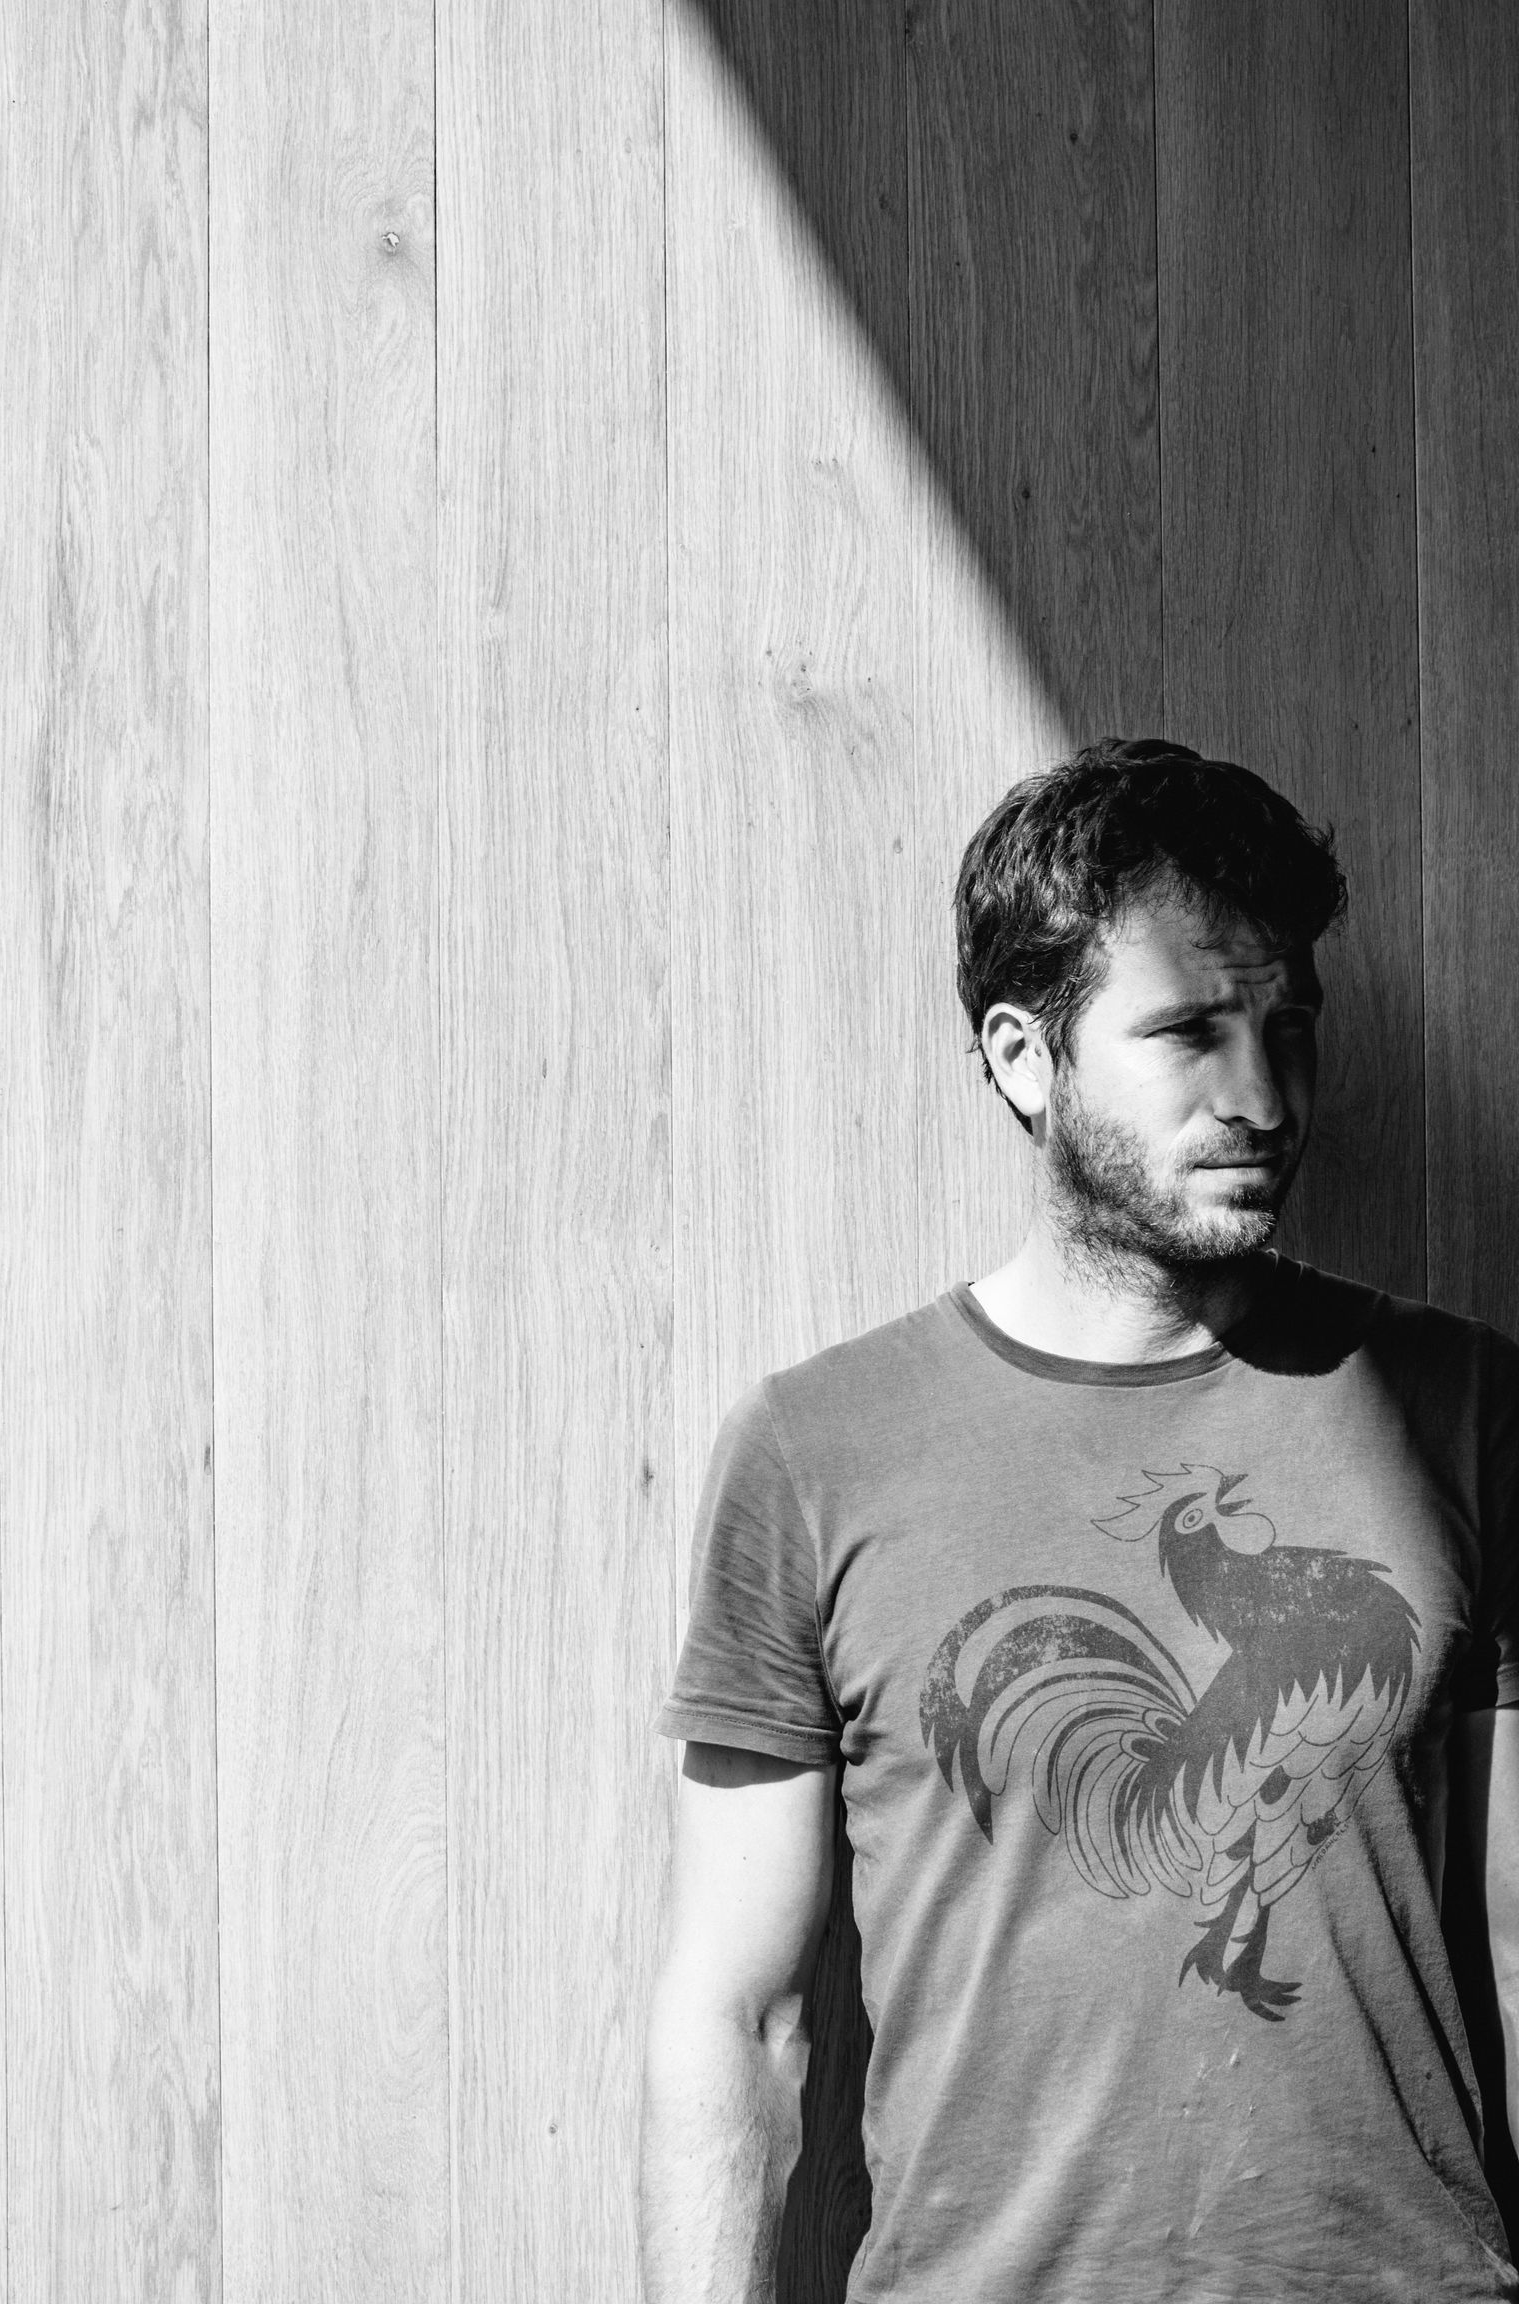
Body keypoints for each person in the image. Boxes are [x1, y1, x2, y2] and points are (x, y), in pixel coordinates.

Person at [638, 736, 1519, 2303]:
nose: (1262, 1096)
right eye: (1188, 1032)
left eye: (1287, 1027)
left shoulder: (1467, 1409)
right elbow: (740, 2018)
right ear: (1024, 1058)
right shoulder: (816, 1452)